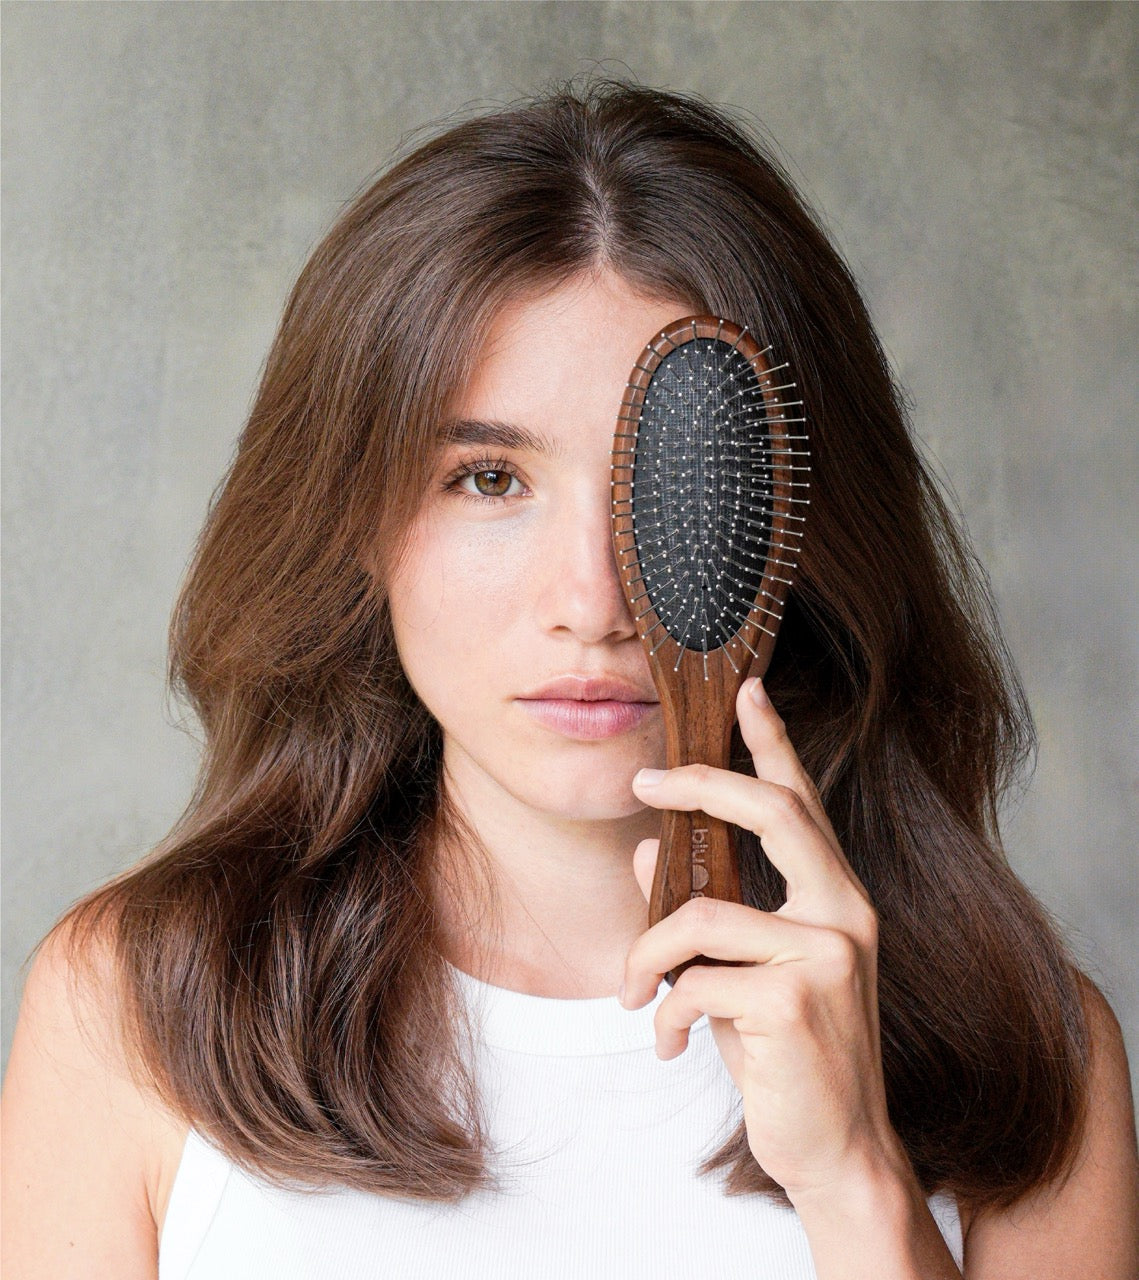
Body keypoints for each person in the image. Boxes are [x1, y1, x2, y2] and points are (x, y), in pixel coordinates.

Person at [2, 76, 1136, 1280]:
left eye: (668, 491)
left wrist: (856, 1179)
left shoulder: (1029, 1058)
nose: (591, 604)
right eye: (489, 479)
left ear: (795, 521)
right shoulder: (134, 1010)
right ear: (355, 522)